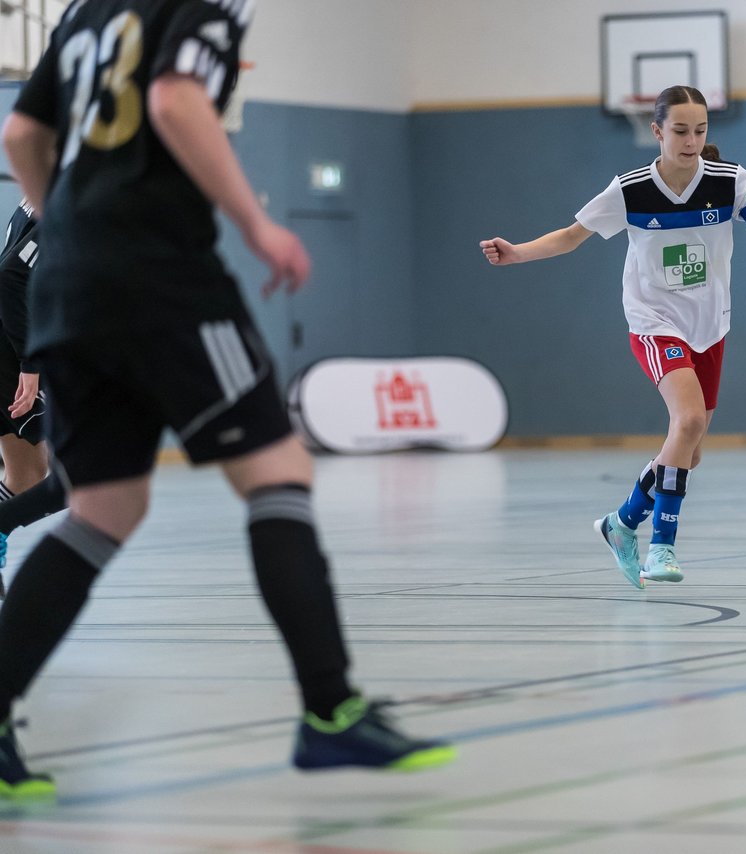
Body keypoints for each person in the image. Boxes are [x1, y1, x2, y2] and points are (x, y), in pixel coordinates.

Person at [0, 0, 453, 800]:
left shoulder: (83, 7)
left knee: (102, 508)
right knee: (278, 474)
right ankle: (330, 712)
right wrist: (256, 224)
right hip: (161, 277)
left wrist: (73, 233)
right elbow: (176, 99)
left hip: (70, 280)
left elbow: (20, 136)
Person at [480, 85, 746, 587]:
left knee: (690, 446)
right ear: (656, 131)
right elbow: (571, 237)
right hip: (654, 321)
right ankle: (662, 547)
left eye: (700, 130)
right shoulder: (631, 190)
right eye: (680, 131)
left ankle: (621, 523)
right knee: (690, 419)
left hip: (710, 325)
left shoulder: (730, 182)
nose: (691, 140)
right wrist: (517, 252)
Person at [0, 201, 70, 594]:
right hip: (11, 355)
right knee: (81, 474)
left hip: (11, 348)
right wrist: (30, 364)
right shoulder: (71, 192)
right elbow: (10, 275)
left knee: (27, 474)